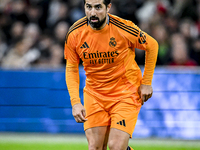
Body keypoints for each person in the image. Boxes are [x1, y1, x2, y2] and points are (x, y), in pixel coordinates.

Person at [64, 0, 158, 150]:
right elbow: (71, 68)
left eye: (98, 7)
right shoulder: (75, 33)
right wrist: (75, 102)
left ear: (108, 7)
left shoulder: (124, 28)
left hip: (125, 93)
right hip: (94, 94)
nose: (92, 13)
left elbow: (152, 45)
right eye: (88, 7)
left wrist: (146, 82)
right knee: (95, 147)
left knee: (116, 146)